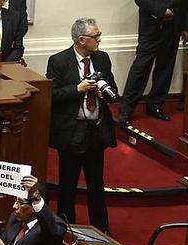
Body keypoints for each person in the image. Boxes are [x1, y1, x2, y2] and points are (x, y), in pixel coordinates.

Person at [46, 17, 118, 233]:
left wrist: (102, 92)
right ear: (82, 39)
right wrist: (78, 89)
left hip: (96, 130)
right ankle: (67, 229)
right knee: (68, 185)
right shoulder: (58, 61)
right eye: (96, 37)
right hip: (71, 132)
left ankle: (102, 229)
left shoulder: (102, 59)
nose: (99, 40)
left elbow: (113, 88)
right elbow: (52, 95)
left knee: (97, 184)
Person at [118, 1, 188, 125]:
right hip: (151, 26)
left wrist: (186, 27)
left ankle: (155, 104)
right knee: (141, 68)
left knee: (165, 68)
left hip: (173, 28)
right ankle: (126, 108)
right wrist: (161, 11)